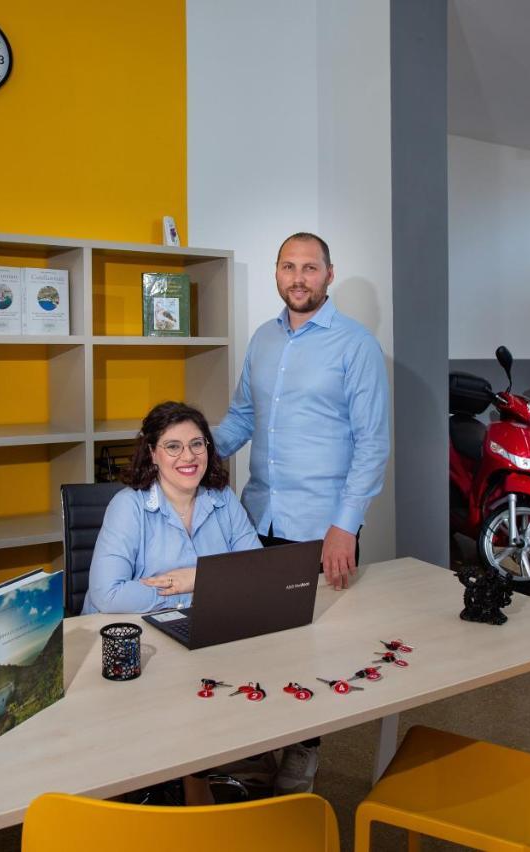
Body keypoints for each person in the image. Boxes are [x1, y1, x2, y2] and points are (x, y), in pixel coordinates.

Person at [214, 231, 390, 794]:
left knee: (313, 644)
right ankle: (266, 738)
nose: (298, 278)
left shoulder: (355, 345)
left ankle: (303, 754)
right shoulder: (263, 340)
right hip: (255, 514)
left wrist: (346, 525)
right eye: (288, 267)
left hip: (321, 525)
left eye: (310, 268)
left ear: (329, 275)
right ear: (276, 273)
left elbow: (372, 443)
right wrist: (187, 451)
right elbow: (242, 418)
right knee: (258, 639)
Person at [83, 401, 261, 615]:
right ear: (152, 453)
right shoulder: (128, 506)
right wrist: (194, 589)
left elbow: (256, 570)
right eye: (173, 446)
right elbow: (109, 596)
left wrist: (196, 578)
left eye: (196, 444)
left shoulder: (224, 498)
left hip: (206, 621)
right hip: (127, 633)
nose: (188, 456)